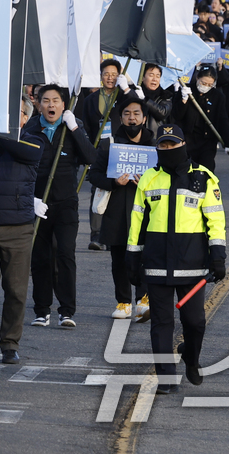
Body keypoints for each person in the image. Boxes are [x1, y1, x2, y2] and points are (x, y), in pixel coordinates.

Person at [126, 124, 226, 395]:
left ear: (183, 145)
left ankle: (190, 357)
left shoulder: (204, 178)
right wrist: (132, 258)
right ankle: (166, 379)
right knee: (161, 323)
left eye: (172, 144)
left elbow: (216, 220)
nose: (168, 149)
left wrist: (218, 256)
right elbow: (137, 221)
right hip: (156, 263)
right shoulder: (148, 179)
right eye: (163, 145)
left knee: (195, 322)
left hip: (192, 265)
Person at [0, 102, 42, 364]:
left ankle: (10, 342)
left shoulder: (33, 140)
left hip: (19, 227)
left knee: (15, 290)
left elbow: (26, 152)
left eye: (14, 113)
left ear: (24, 118)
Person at [26, 84, 95, 328]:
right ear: (38, 104)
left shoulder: (72, 127)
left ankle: (67, 311)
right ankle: (41, 309)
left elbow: (90, 158)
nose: (51, 105)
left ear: (64, 105)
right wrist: (31, 199)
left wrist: (74, 128)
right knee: (40, 257)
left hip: (66, 203)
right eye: (46, 100)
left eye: (56, 100)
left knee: (65, 254)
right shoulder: (30, 129)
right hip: (38, 204)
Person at [89, 99, 151, 319]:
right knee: (119, 259)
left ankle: (143, 299)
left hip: (147, 211)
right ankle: (123, 302)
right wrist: (114, 182)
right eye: (127, 113)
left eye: (136, 113)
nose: (131, 118)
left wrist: (148, 182)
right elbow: (93, 175)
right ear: (121, 117)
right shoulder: (110, 145)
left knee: (145, 256)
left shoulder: (155, 145)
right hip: (117, 210)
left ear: (144, 118)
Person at [75, 59, 124, 251]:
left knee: (117, 191)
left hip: (119, 150)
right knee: (98, 190)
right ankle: (96, 235)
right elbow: (86, 127)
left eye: (114, 74)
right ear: (100, 76)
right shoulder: (91, 100)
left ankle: (113, 235)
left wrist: (127, 89)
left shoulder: (124, 96)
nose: (110, 78)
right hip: (99, 150)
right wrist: (88, 152)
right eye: (106, 74)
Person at [183, 65, 229, 173]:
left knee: (206, 171)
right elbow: (177, 115)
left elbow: (223, 120)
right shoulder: (186, 90)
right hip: (187, 140)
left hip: (207, 142)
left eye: (210, 84)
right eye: (203, 83)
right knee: (187, 172)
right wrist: (183, 101)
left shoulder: (218, 96)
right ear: (197, 78)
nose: (205, 86)